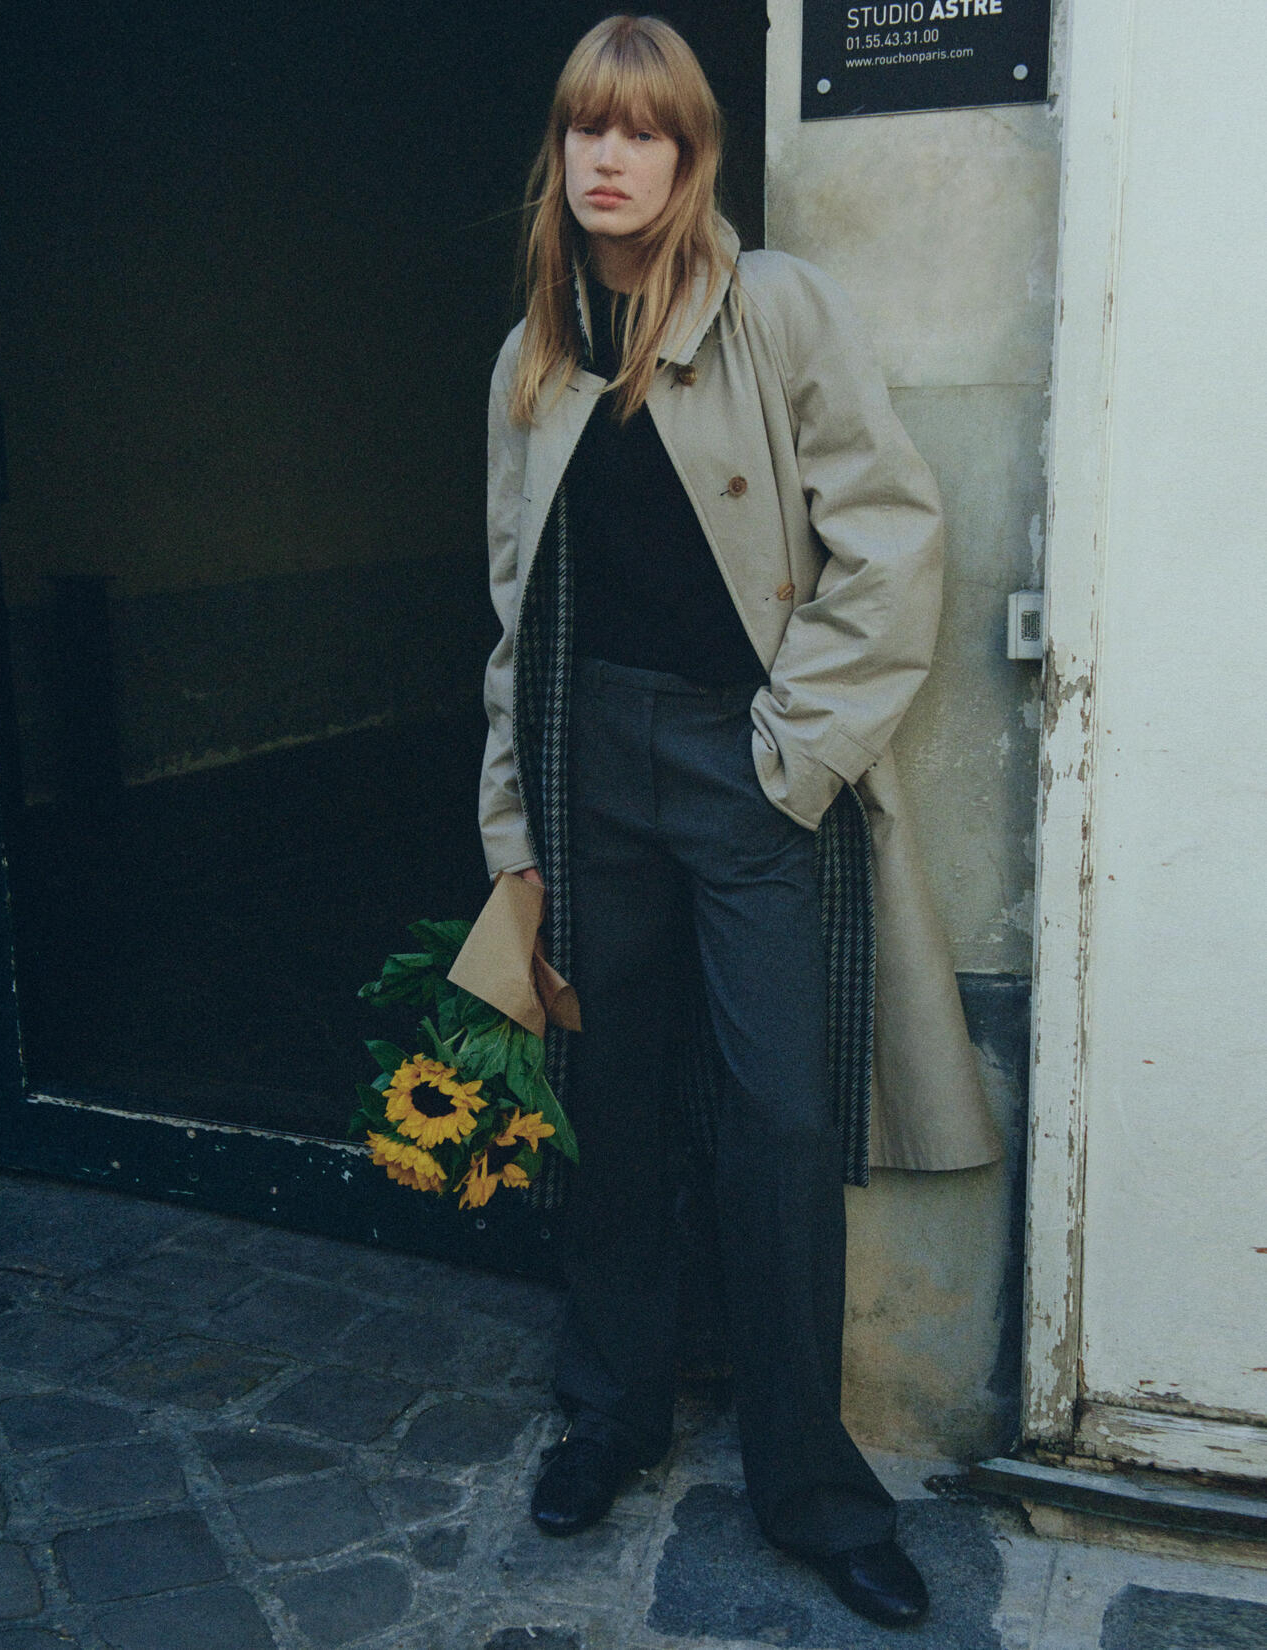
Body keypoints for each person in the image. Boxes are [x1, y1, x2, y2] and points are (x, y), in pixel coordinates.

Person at [477, 13, 1000, 1631]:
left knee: (778, 1116)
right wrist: (513, 828)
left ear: (692, 156)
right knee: (612, 1090)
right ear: (560, 151)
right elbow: (511, 617)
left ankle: (812, 1486)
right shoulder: (531, 355)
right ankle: (610, 1410)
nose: (610, 157)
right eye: (588, 128)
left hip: (745, 763)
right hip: (587, 763)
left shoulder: (771, 307)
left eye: (644, 131)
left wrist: (791, 755)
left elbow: (891, 540)